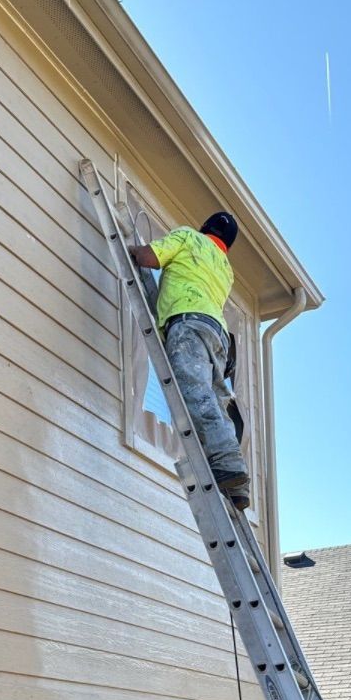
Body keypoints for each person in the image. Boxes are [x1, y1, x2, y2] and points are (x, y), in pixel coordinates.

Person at [129, 211, 249, 508]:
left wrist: (132, 249)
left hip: (188, 323)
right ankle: (235, 479)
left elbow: (149, 259)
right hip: (217, 334)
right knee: (215, 400)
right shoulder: (225, 268)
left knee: (195, 392)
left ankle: (226, 462)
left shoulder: (188, 237)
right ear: (228, 245)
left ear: (204, 227)